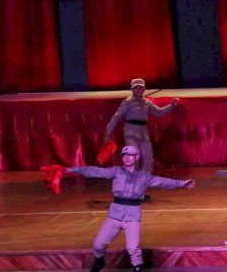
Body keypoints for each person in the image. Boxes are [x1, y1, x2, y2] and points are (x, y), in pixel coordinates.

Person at [66, 145, 196, 272]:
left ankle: (137, 269)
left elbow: (163, 182)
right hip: (115, 214)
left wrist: (182, 184)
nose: (127, 157)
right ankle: (99, 262)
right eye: (124, 155)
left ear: (136, 157)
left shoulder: (144, 176)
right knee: (98, 245)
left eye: (130, 155)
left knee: (133, 249)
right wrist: (75, 169)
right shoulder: (116, 171)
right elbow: (95, 171)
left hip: (133, 215)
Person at [104, 78, 179, 175]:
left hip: (144, 133)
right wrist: (107, 134)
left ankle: (143, 179)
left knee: (149, 159)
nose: (138, 90)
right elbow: (116, 117)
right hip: (131, 132)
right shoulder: (128, 102)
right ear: (132, 89)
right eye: (136, 88)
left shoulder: (147, 102)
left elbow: (159, 112)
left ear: (144, 89)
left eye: (140, 88)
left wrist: (171, 106)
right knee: (134, 155)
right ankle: (128, 178)